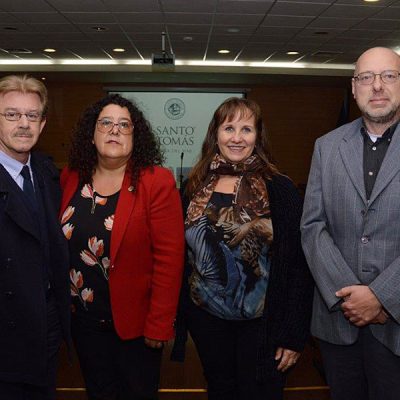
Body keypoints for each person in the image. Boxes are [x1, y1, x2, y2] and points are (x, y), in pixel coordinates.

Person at [171, 97, 314, 400]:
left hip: (263, 324)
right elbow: (183, 255)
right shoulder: (195, 186)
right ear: (216, 134)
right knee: (220, 391)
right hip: (207, 321)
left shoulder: (280, 188)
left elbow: (300, 265)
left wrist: (294, 334)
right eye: (229, 128)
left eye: (246, 129)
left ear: (258, 137)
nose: (237, 137)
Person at [59, 93, 184, 400]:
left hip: (135, 329)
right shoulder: (71, 177)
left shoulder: (156, 181)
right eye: (105, 123)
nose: (114, 130)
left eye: (123, 125)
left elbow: (170, 258)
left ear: (134, 136)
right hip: (83, 323)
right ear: (92, 134)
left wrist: (159, 324)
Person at [301, 47, 400, 400]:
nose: (377, 86)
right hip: (338, 321)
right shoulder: (326, 147)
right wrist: (351, 296)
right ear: (354, 87)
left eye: (388, 76)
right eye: (366, 78)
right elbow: (312, 226)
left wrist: (381, 298)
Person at [0, 74, 70, 399]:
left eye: (32, 116)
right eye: (12, 114)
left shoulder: (46, 172)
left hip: (45, 326)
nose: (23, 124)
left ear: (42, 124)